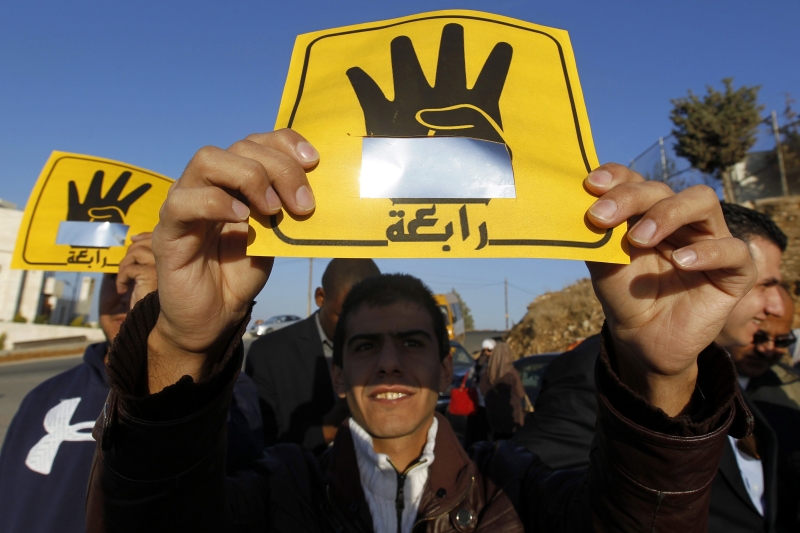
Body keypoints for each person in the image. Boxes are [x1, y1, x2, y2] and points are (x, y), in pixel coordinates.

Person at [86, 130, 756, 532]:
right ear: (338, 373)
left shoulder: (513, 485)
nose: (388, 364)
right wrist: (181, 345)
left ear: (444, 369)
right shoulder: (278, 489)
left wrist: (663, 373)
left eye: (412, 342)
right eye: (364, 344)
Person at [521, 202, 791, 532]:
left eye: (781, 287)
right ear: (704, 266)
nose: (777, 307)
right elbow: (546, 503)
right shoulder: (607, 369)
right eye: (765, 285)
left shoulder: (745, 376)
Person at [0, 235, 263, 533]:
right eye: (115, 275)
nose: (128, 289)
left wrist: (166, 337)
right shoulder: (44, 395)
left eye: (156, 273)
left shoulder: (227, 397)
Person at [245, 258, 380, 453]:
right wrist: (330, 429)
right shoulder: (269, 354)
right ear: (320, 297)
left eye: (370, 317)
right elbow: (262, 446)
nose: (357, 328)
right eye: (346, 316)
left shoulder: (393, 355)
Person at [730, 286, 800, 531]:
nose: (767, 349)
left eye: (782, 341)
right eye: (759, 336)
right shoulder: (683, 383)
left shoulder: (792, 394)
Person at [479, 341, 525, 440]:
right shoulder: (512, 373)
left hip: (493, 418)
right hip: (511, 418)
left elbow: (482, 391)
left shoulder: (487, 373)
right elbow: (521, 393)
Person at [463, 338, 494, 446]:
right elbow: (470, 378)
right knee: (475, 429)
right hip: (477, 402)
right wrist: (478, 366)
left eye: (489, 350)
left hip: (489, 403)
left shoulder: (496, 364)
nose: (486, 353)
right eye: (484, 350)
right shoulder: (478, 364)